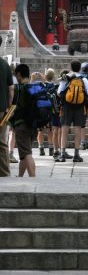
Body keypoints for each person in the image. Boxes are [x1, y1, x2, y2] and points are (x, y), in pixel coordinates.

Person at [57, 60, 88, 163]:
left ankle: (62, 154)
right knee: (78, 130)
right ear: (80, 68)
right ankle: (76, 154)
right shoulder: (83, 79)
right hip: (80, 107)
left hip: (67, 107)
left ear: (70, 68)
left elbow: (59, 93)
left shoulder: (65, 78)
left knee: (64, 130)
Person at [13, 64, 36, 177]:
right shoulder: (33, 87)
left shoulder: (19, 88)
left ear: (19, 74)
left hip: (21, 124)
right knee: (24, 152)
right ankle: (20, 176)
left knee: (26, 153)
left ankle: (33, 177)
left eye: (16, 75)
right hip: (33, 125)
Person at [0, 36, 14, 176]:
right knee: (2, 142)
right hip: (2, 109)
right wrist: (9, 106)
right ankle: (4, 172)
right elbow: (11, 88)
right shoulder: (5, 65)